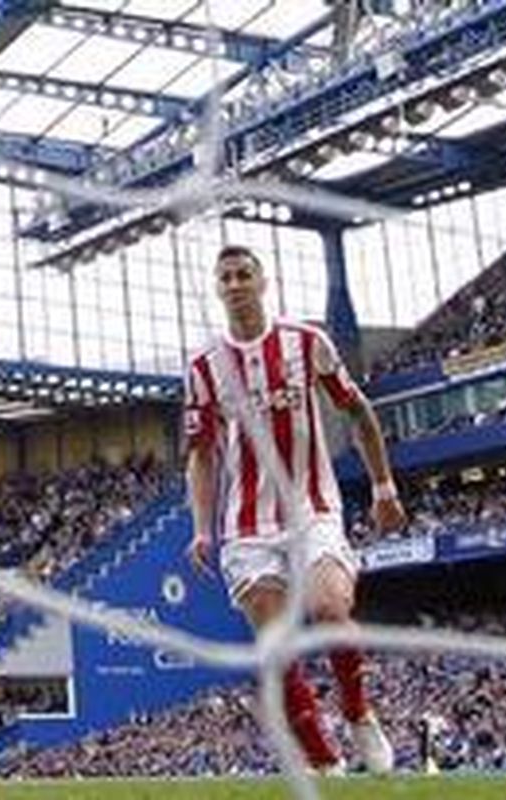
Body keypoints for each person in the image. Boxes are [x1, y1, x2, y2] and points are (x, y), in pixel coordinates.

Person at [184, 245, 406, 774]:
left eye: (244, 275)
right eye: (226, 278)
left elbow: (357, 409)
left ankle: (358, 714)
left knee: (331, 609)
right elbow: (199, 457)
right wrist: (200, 528)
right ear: (218, 290)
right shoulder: (203, 368)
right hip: (247, 524)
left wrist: (383, 485)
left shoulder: (307, 343)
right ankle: (321, 757)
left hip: (313, 506)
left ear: (264, 283)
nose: (235, 284)